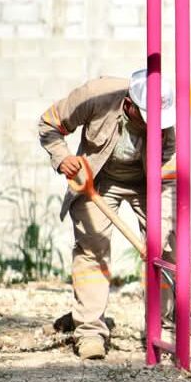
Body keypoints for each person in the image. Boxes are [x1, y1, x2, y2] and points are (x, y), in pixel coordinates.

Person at [38, 70, 176, 360]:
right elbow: (50, 123)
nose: (156, 128)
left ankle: (163, 328)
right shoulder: (98, 95)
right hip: (98, 180)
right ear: (129, 105)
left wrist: (157, 237)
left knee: (164, 251)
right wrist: (63, 158)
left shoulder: (168, 128)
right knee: (92, 248)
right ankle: (89, 332)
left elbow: (167, 187)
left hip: (147, 184)